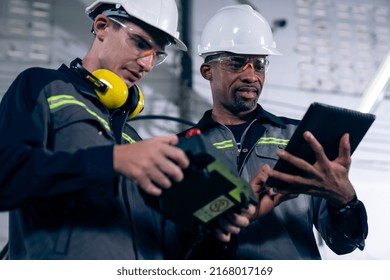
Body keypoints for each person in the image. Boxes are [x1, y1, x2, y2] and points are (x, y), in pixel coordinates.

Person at [0, 0, 251, 260]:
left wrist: (207, 224)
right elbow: (7, 176)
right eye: (141, 44)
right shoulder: (43, 86)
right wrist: (113, 160)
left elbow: (164, 247)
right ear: (102, 26)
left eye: (157, 54)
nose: (147, 65)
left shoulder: (135, 141)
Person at [179, 4, 368, 259]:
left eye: (259, 65)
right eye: (237, 63)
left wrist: (345, 200)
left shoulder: (300, 138)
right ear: (207, 70)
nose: (251, 76)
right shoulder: (183, 150)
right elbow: (178, 246)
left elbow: (343, 243)